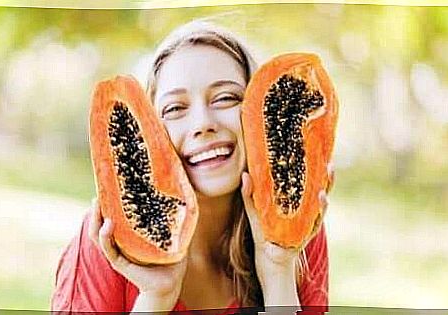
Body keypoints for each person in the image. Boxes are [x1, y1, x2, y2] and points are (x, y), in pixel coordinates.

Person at [51, 20, 333, 314]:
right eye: (175, 108)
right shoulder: (106, 242)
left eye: (226, 98)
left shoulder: (294, 236)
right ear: (151, 131)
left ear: (259, 111)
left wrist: (278, 272)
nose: (203, 124)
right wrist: (156, 297)